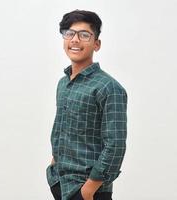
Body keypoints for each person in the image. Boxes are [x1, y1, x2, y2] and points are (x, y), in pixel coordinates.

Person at [46, 9, 127, 200]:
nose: (75, 39)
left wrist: (89, 189)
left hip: (88, 190)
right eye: (69, 33)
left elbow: (115, 146)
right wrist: (53, 165)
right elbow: (63, 130)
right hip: (60, 182)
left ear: (96, 44)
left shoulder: (109, 87)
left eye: (84, 35)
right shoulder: (63, 83)